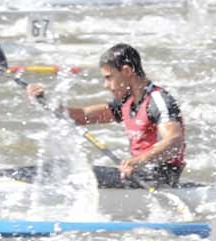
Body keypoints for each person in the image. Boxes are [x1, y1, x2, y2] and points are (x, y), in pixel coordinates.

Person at [24, 43, 185, 188]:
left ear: (127, 71)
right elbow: (81, 116)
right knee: (61, 166)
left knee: (73, 173)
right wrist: (46, 101)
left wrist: (136, 162)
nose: (106, 85)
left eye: (109, 78)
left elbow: (174, 142)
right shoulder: (127, 102)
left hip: (159, 178)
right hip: (139, 174)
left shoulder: (158, 101)